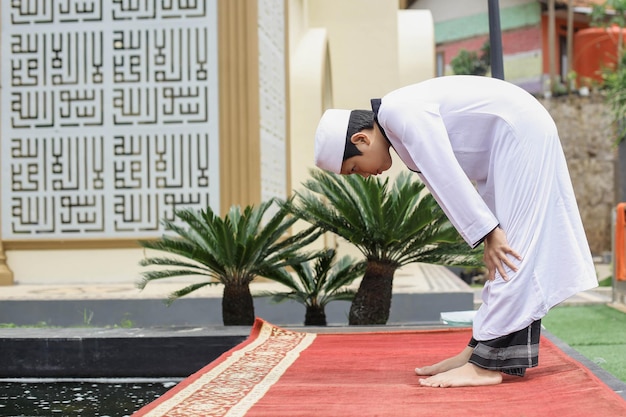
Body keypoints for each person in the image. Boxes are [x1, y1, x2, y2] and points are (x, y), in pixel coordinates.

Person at [313, 75, 598, 388]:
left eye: (355, 169)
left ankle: (485, 366)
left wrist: (490, 232)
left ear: (361, 141)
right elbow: (442, 184)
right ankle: (477, 351)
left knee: (511, 254)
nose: (365, 176)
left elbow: (445, 173)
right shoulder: (397, 124)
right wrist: (487, 230)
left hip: (518, 134)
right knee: (504, 260)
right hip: (503, 147)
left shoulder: (398, 112)